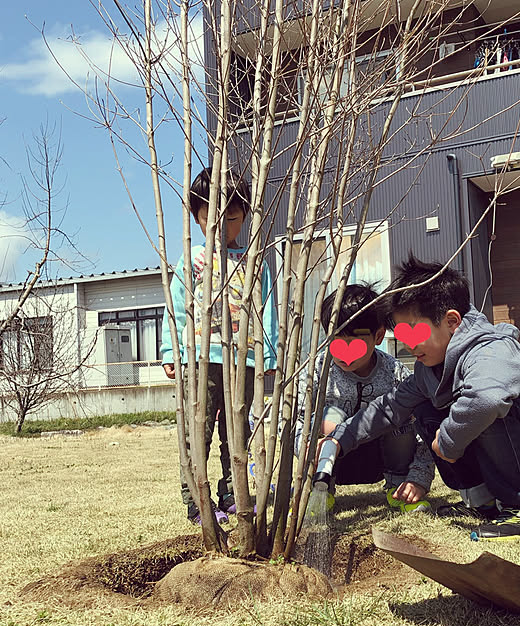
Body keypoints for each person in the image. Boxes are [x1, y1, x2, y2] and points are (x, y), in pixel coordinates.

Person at [324, 256, 520, 540]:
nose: (406, 343)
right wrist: (340, 439)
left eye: (414, 332)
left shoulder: (490, 351)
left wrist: (450, 440)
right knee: (428, 409)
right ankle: (483, 504)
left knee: (486, 405)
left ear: (451, 321)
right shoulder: (430, 368)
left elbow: (487, 400)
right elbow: (391, 406)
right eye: (402, 333)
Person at [161, 167, 278, 525]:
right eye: (212, 217)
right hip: (200, 357)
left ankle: (233, 491)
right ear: (197, 217)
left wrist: (267, 354)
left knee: (237, 429)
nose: (223, 226)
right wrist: (173, 351)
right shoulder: (193, 259)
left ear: (244, 217)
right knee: (199, 432)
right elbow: (177, 307)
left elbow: (267, 309)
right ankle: (197, 500)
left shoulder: (253, 261)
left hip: (241, 360)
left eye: (233, 217)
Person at [296, 283, 435, 512]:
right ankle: (320, 490)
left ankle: (399, 488)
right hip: (330, 461)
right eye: (337, 339)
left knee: (400, 417)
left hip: (381, 458)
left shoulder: (395, 374)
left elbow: (423, 428)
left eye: (356, 340)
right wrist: (306, 447)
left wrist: (418, 477)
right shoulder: (317, 370)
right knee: (330, 416)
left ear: (379, 335)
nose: (345, 350)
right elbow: (296, 421)